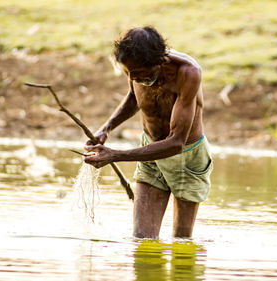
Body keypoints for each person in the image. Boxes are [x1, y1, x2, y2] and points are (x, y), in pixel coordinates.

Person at [82, 26, 213, 239]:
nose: (132, 77)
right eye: (128, 72)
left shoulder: (187, 73)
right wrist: (106, 128)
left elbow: (176, 143)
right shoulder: (135, 68)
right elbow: (135, 98)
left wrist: (115, 155)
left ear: (159, 62)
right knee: (142, 240)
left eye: (139, 73)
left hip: (186, 157)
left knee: (181, 242)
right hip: (149, 151)